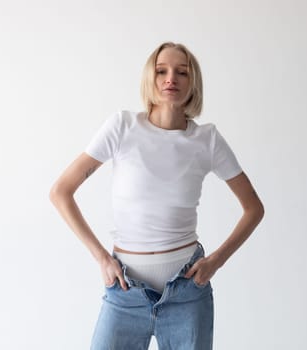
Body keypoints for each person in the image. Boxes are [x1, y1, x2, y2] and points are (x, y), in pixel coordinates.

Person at [50, 41, 264, 350]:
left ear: (193, 83)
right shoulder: (122, 127)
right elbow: (61, 192)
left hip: (187, 293)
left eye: (182, 72)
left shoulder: (207, 140)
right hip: (125, 290)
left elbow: (253, 208)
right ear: (150, 78)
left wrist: (215, 261)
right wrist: (100, 257)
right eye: (161, 71)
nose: (170, 79)